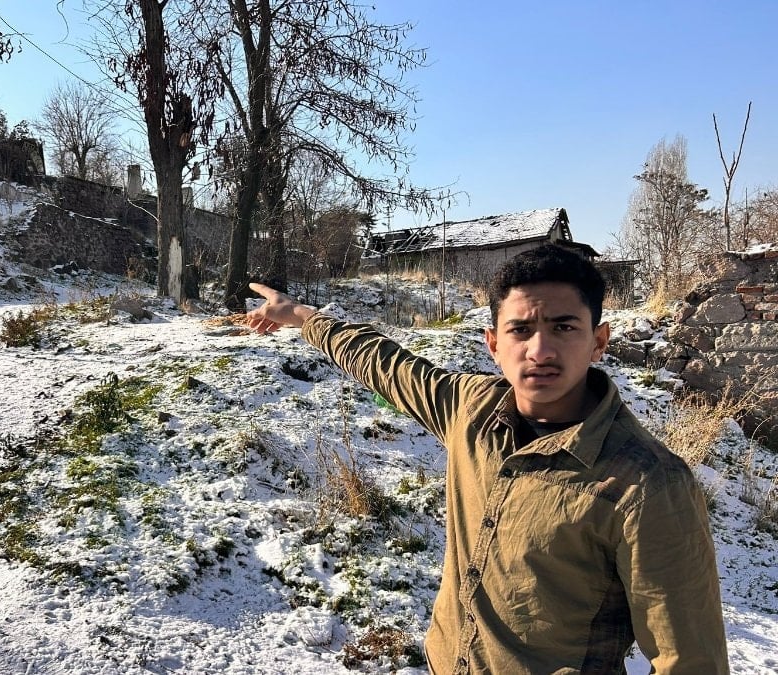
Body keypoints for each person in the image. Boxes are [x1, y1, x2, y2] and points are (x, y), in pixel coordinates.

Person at [245, 244, 727, 674]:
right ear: (493, 343)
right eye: (520, 329)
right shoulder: (469, 409)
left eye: (564, 327)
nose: (540, 350)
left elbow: (690, 660)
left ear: (598, 341)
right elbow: (385, 363)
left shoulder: (647, 484)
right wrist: (305, 317)